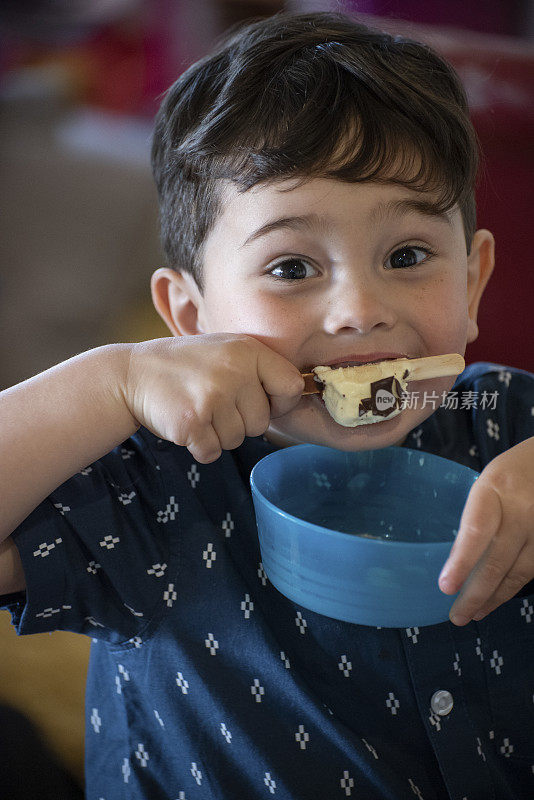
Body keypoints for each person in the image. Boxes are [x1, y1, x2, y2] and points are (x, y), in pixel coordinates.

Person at [1, 10, 533, 799]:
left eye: (408, 255)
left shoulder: (511, 424)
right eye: (290, 267)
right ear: (190, 319)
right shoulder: (145, 485)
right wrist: (110, 382)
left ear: (474, 282)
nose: (358, 309)